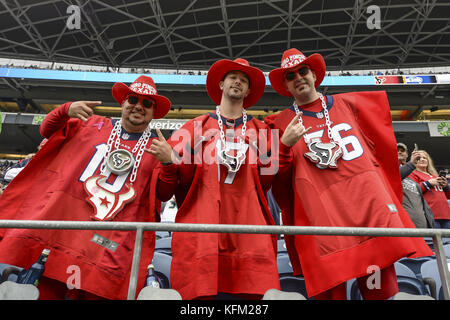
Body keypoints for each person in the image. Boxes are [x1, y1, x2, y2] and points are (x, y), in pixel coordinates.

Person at [264, 48, 433, 300]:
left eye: (303, 71)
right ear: (285, 85)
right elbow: (274, 180)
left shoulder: (352, 105)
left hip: (368, 214)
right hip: (321, 221)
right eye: (290, 76)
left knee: (382, 294)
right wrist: (284, 145)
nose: (298, 77)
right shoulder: (279, 124)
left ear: (314, 74)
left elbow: (382, 154)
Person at [146, 58, 308, 300]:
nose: (238, 82)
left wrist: (283, 148)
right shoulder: (193, 128)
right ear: (221, 84)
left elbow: (268, 184)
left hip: (250, 239)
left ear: (249, 90)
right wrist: (169, 162)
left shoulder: (263, 131)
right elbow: (165, 191)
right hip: (202, 238)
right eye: (233, 77)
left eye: (244, 80)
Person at [0, 75, 171, 300]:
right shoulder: (90, 124)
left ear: (153, 111)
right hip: (65, 234)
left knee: (97, 292)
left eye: (147, 103)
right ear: (123, 102)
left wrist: (169, 163)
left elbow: (165, 193)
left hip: (108, 243)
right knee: (45, 290)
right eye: (133, 99)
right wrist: (65, 110)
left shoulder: (157, 148)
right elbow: (46, 130)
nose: (138, 106)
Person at [408, 150, 450, 229]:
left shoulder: (435, 176)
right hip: (430, 215)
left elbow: (448, 196)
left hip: (446, 215)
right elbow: (412, 190)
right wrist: (428, 183)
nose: (422, 159)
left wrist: (446, 186)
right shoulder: (412, 174)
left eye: (425, 158)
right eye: (419, 158)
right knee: (435, 241)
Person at [397, 143, 435, 228]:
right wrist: (412, 163)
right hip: (403, 228)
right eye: (397, 150)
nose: (399, 152)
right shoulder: (387, 171)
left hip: (423, 227)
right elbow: (395, 176)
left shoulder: (412, 176)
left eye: (402, 151)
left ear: (407, 154)